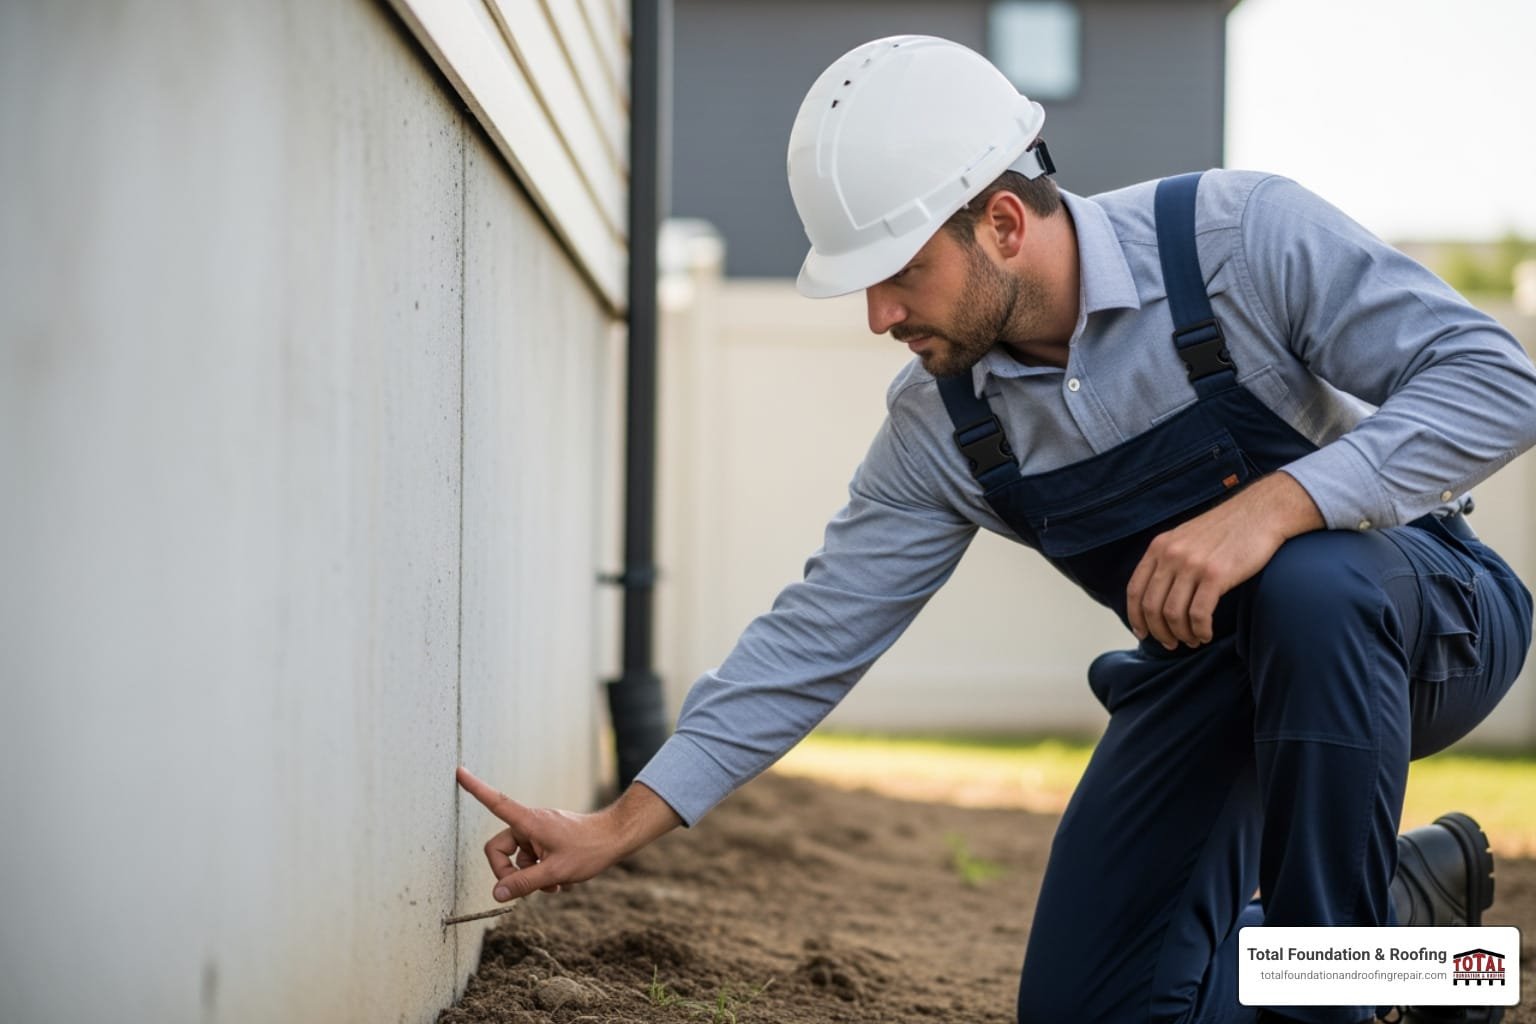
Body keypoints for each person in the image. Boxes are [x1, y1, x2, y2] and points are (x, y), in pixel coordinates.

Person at [455, 35, 1534, 1024]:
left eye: (896, 273)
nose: (878, 316)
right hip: (1218, 679)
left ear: (1004, 224)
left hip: (1417, 624)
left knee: (1311, 585)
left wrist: (1278, 505)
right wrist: (616, 823)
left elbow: (1500, 381)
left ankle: (1331, 999)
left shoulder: (1237, 241)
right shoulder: (945, 431)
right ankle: (1417, 941)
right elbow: (814, 635)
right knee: (1094, 1009)